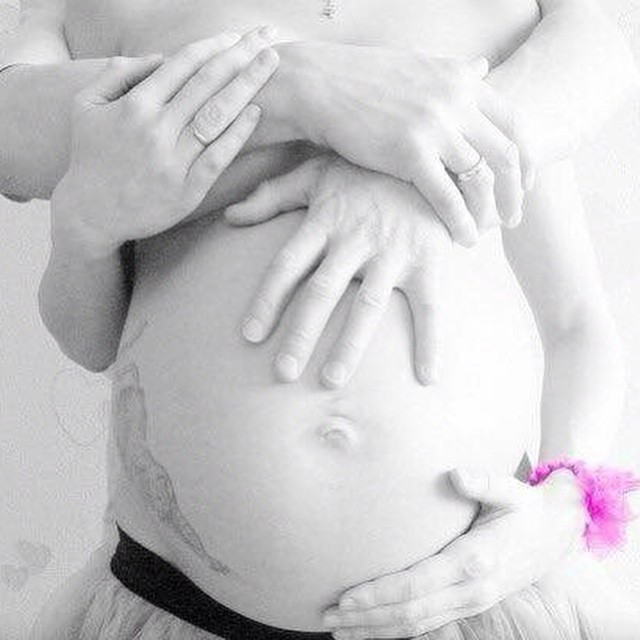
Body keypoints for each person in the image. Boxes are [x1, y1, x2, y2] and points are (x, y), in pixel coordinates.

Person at [0, 0, 638, 637]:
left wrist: (563, 507)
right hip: (180, 603)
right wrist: (81, 231)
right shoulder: (109, 16)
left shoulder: (500, 35)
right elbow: (94, 340)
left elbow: (574, 320)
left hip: (472, 597)